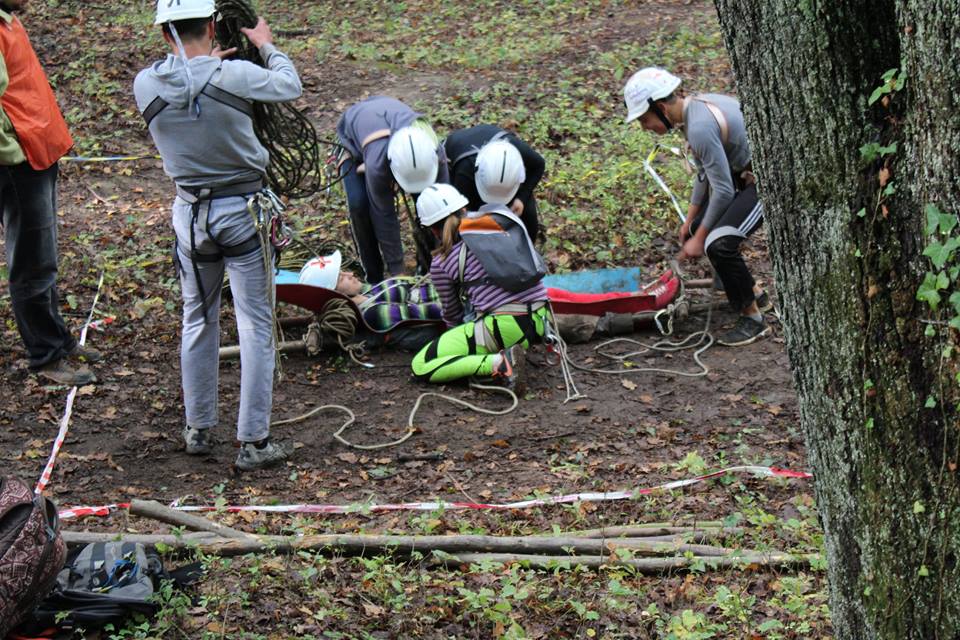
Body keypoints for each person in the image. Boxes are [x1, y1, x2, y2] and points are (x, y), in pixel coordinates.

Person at [134, 0, 301, 470]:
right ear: (212, 25)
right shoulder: (236, 77)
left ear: (165, 33)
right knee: (254, 323)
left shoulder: (145, 84)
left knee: (198, 318)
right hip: (243, 212)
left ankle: (198, 428)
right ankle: (254, 440)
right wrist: (265, 45)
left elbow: (187, 85)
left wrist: (208, 67)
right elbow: (290, 85)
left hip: (190, 216)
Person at [624, 67, 771, 346]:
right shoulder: (690, 115)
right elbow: (705, 174)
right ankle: (755, 294)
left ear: (662, 108)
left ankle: (753, 319)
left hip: (766, 183)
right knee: (698, 231)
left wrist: (701, 238)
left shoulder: (700, 126)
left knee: (718, 244)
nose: (646, 128)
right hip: (742, 178)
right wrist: (690, 224)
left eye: (645, 120)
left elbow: (724, 190)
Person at [0, 1, 100, 385]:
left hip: (35, 152)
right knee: (32, 262)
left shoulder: (9, 21)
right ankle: (46, 356)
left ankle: (57, 340)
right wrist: (13, 152)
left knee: (43, 257)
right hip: (20, 160)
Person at [411, 179, 549, 387]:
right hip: (541, 321)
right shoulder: (498, 229)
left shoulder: (442, 261)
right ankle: (507, 353)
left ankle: (499, 364)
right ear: (464, 209)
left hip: (505, 328)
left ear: (432, 230)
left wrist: (459, 341)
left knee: (421, 364)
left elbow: (452, 314)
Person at [336, 96, 449, 283]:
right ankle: (374, 276)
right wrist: (398, 272)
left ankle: (429, 263)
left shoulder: (435, 152)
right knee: (360, 205)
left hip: (388, 124)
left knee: (428, 200)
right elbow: (384, 216)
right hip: (355, 140)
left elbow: (445, 208)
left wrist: (447, 256)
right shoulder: (377, 165)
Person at [443, 124, 546, 242]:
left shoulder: (514, 149)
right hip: (459, 159)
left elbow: (539, 165)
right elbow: (463, 216)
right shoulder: (464, 174)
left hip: (490, 147)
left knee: (528, 212)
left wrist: (521, 198)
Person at [299, 250, 442, 332]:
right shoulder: (372, 314)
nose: (350, 275)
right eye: (341, 279)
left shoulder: (364, 292)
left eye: (344, 272)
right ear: (336, 295)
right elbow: (426, 313)